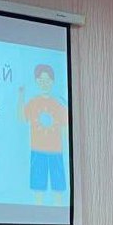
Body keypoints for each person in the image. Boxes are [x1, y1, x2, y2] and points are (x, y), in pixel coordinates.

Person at [17, 64, 69, 206]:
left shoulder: (58, 104)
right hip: (37, 151)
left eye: (47, 80)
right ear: (37, 81)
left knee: (58, 189)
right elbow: (21, 118)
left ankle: (59, 212)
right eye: (41, 80)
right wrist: (21, 95)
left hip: (56, 151)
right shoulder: (33, 102)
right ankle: (38, 213)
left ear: (52, 82)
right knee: (38, 189)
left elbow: (65, 129)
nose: (44, 83)